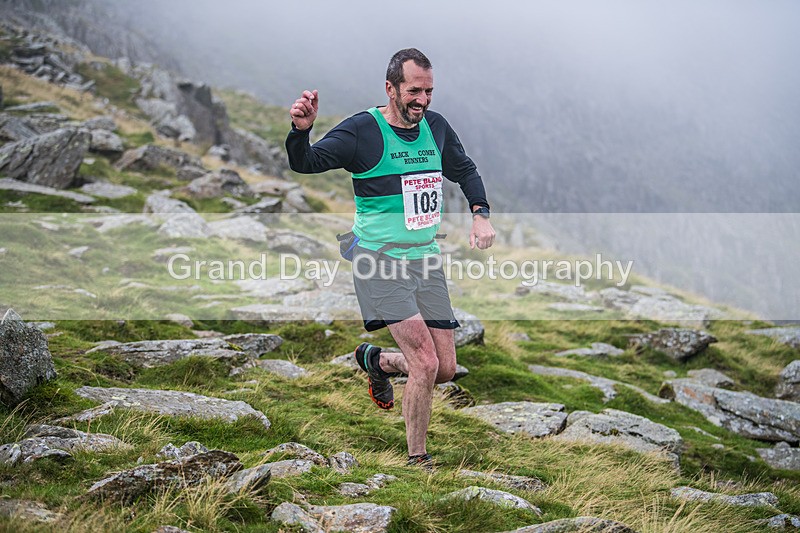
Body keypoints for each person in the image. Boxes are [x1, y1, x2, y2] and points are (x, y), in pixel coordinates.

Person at [286, 48, 495, 468]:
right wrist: (300, 130)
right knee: (423, 362)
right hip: (378, 261)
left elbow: (465, 170)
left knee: (445, 368)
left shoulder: (435, 128)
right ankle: (417, 459)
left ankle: (375, 361)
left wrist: (480, 215)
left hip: (425, 259)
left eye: (429, 91)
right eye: (414, 90)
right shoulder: (363, 131)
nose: (422, 100)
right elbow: (305, 163)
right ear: (391, 88)